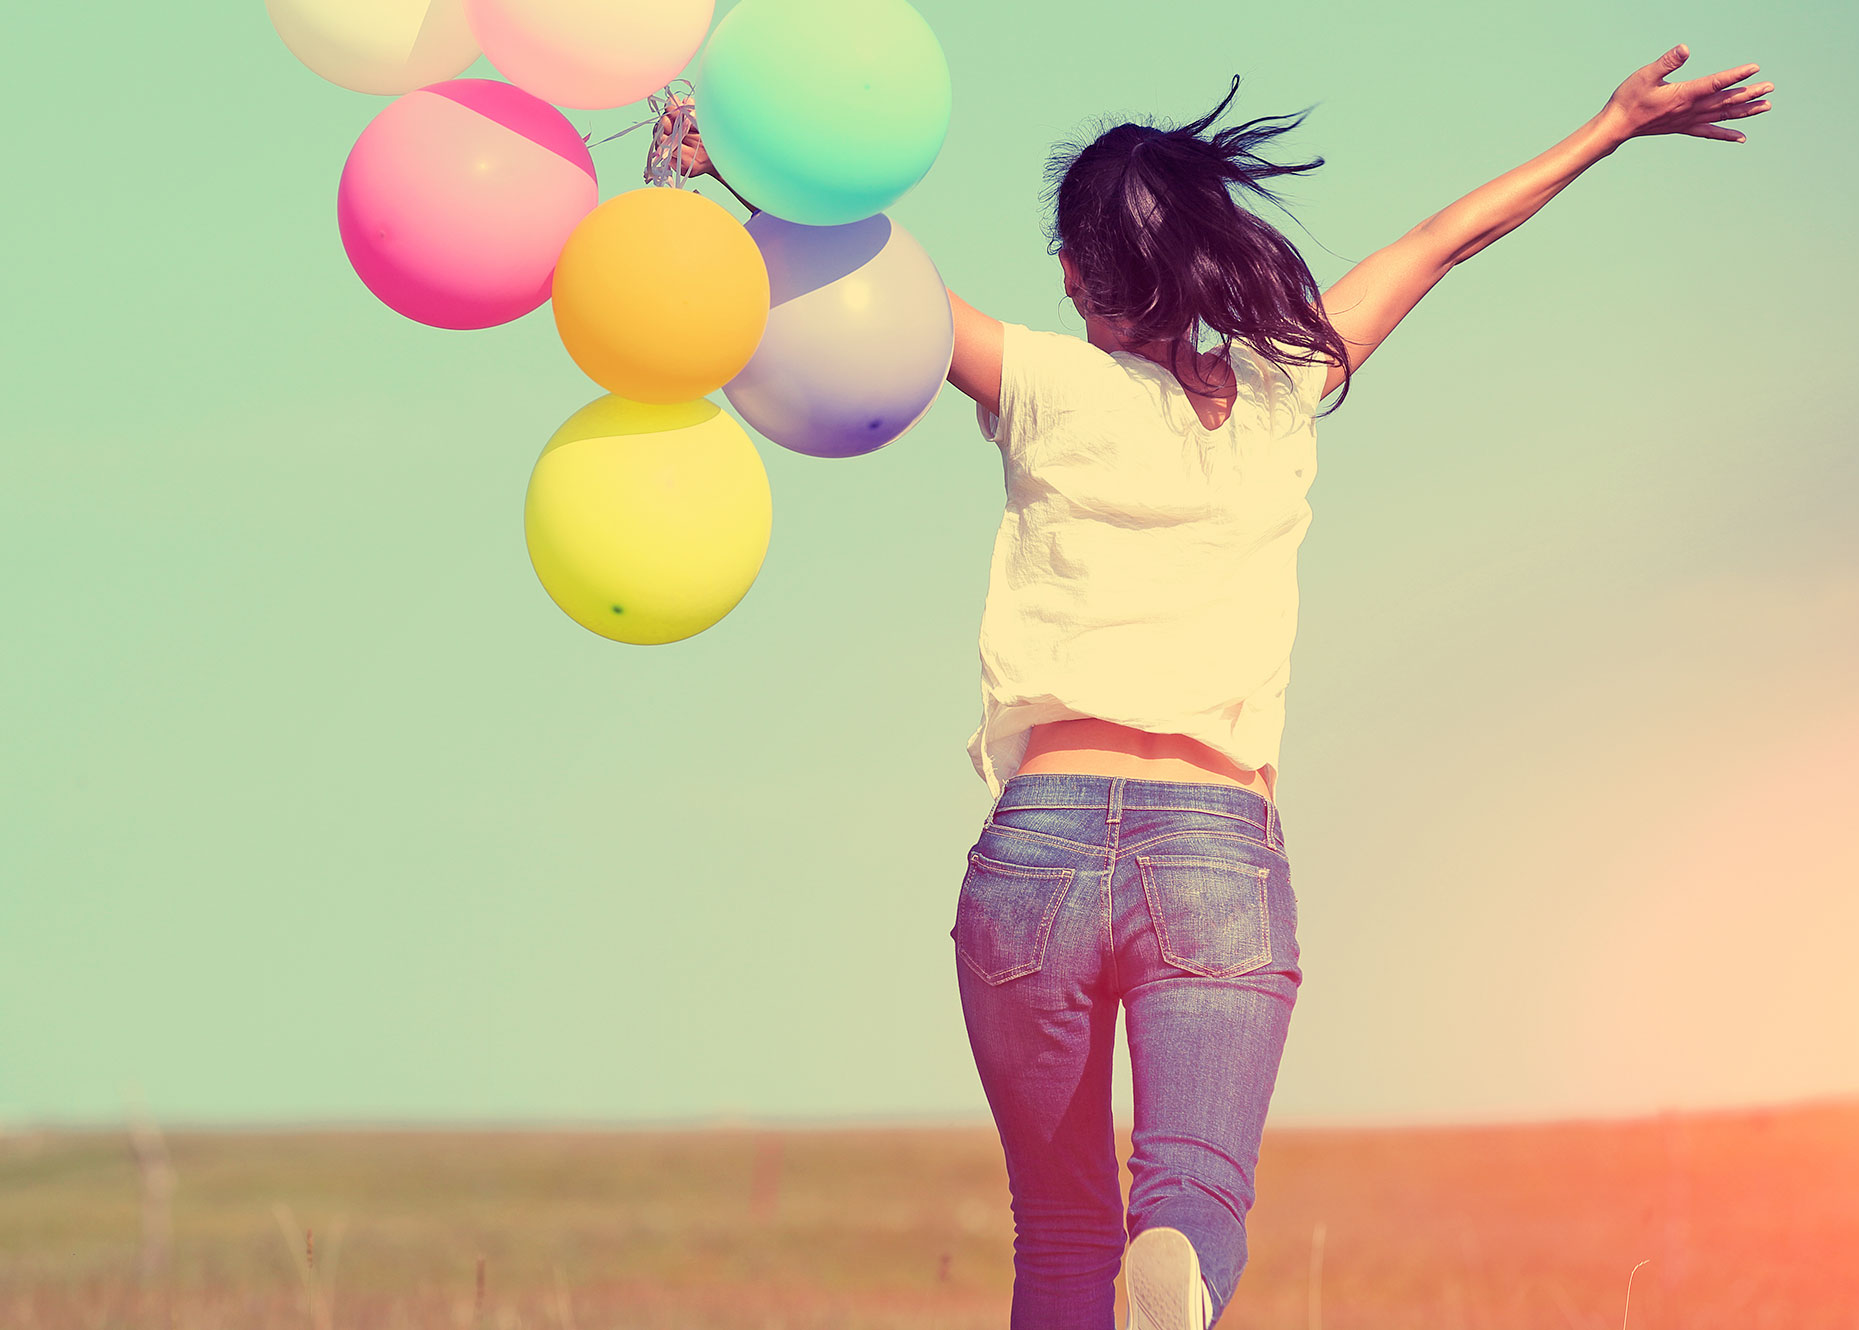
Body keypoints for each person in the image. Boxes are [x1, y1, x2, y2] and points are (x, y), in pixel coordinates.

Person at [689, 44, 1774, 1329]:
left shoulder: (1040, 382)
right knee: (1190, 1192)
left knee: (1058, 1229)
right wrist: (1606, 128)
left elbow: (878, 287)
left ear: (1078, 269)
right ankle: (1185, 1265)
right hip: (1212, 840)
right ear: (1199, 259)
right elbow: (1441, 242)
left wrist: (745, 188)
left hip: (1034, 847)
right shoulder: (1281, 391)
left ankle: (1142, 1268)